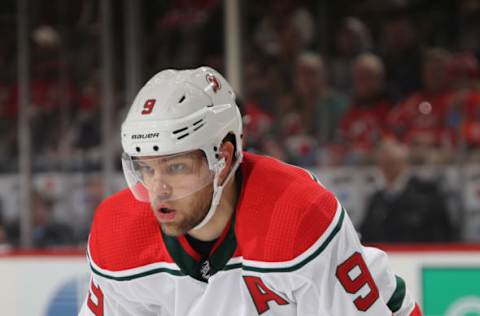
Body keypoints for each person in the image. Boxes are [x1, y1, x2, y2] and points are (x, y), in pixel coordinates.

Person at [79, 67, 421, 315]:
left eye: (177, 167)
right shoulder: (118, 234)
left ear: (223, 158)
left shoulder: (295, 215)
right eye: (146, 169)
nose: (159, 189)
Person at [360, 139, 454, 243]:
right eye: (384, 164)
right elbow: (366, 232)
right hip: (386, 254)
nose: (387, 169)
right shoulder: (377, 198)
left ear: (404, 164)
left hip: (420, 254)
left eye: (391, 163)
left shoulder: (426, 192)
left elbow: (441, 229)